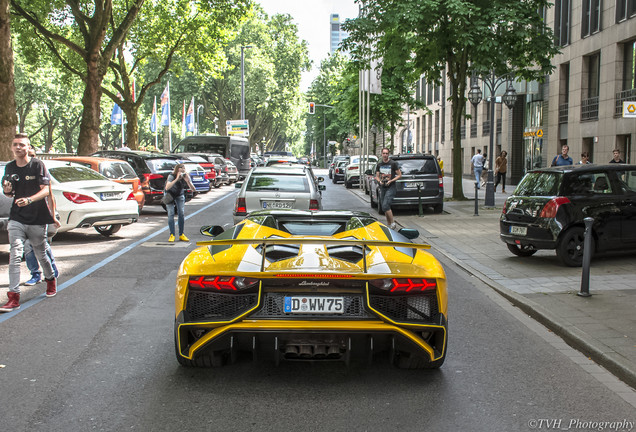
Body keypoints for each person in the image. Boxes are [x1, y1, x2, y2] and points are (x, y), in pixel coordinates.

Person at [0, 134, 57, 312]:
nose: (18, 148)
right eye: (15, 145)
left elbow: (46, 190)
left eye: (22, 145)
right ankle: (14, 296)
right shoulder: (9, 167)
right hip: (17, 217)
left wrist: (30, 200)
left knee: (40, 253)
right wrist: (8, 191)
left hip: (37, 218)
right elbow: (9, 192)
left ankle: (50, 279)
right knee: (15, 254)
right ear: (12, 147)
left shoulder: (37, 165)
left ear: (28, 147)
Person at [23, 147, 60, 286]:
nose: (30, 158)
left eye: (32, 155)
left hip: (40, 216)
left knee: (37, 245)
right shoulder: (19, 172)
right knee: (29, 246)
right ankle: (37, 274)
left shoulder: (41, 172)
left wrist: (53, 216)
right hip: (24, 216)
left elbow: (50, 197)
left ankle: (47, 271)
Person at [165, 163, 195, 242]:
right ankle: (172, 234)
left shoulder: (185, 176)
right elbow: (167, 187)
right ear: (177, 169)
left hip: (179, 194)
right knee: (171, 213)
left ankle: (181, 234)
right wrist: (176, 179)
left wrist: (188, 181)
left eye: (184, 169)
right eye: (181, 169)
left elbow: (193, 189)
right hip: (170, 194)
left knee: (181, 213)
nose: (182, 170)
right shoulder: (171, 176)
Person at [375, 147, 402, 230]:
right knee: (384, 207)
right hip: (383, 187)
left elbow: (399, 175)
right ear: (381, 154)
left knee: (386, 205)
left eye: (387, 153)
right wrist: (379, 181)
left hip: (391, 187)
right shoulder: (379, 164)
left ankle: (393, 223)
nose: (385, 155)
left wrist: (391, 181)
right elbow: (377, 176)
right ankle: (389, 224)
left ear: (388, 154)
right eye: (384, 153)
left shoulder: (393, 163)